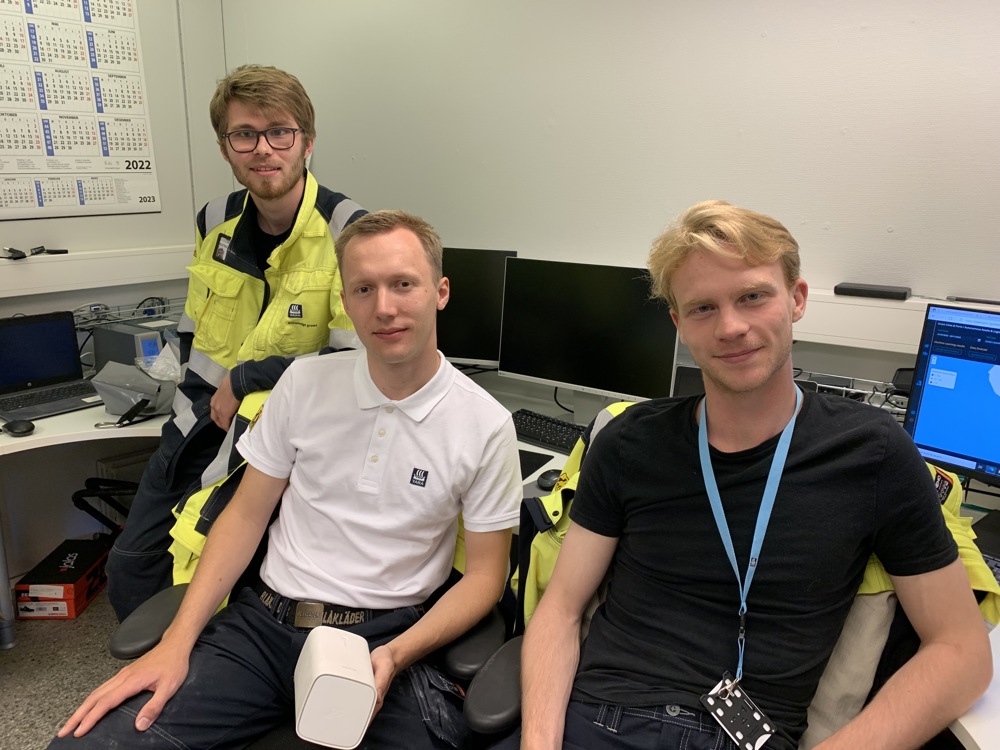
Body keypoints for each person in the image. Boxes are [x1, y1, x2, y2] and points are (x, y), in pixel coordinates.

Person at [517, 200, 991, 750]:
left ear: (796, 299)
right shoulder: (628, 441)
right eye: (702, 308)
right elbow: (561, 609)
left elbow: (960, 652)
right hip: (603, 720)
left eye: (752, 296)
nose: (731, 327)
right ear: (678, 324)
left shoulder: (874, 453)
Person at [52, 210, 523, 749]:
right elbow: (245, 517)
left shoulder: (484, 425)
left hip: (384, 638)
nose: (384, 307)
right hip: (262, 630)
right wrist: (176, 642)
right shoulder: (304, 384)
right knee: (86, 743)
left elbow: (486, 577)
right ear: (345, 302)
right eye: (364, 289)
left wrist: (397, 654)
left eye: (403, 285)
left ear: (439, 292)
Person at [106, 64, 368, 621]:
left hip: (280, 440)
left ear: (307, 143)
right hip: (197, 422)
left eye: (280, 132)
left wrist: (247, 378)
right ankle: (157, 676)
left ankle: (208, 675)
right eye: (244, 135)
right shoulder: (213, 221)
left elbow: (356, 359)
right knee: (132, 564)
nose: (263, 149)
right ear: (226, 148)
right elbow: (194, 328)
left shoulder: (350, 230)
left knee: (218, 571)